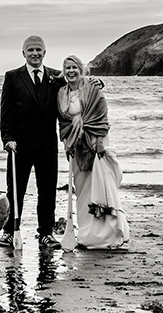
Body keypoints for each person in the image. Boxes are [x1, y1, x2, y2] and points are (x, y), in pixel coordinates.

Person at [56, 54, 130, 249]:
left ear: (81, 69)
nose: (71, 71)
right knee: (81, 189)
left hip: (96, 142)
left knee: (100, 186)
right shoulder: (62, 92)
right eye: (67, 68)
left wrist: (97, 141)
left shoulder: (92, 89)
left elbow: (101, 115)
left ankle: (106, 236)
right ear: (63, 72)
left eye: (74, 67)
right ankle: (87, 235)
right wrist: (68, 141)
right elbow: (63, 122)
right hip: (76, 145)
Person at [0, 35, 63, 250]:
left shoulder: (55, 77)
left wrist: (96, 82)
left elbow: (77, 84)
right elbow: (5, 112)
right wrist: (7, 139)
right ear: (23, 53)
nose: (35, 53)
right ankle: (9, 232)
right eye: (30, 50)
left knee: (48, 191)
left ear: (45, 52)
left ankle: (46, 234)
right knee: (15, 191)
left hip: (47, 145)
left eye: (38, 50)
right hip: (19, 146)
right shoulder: (13, 77)